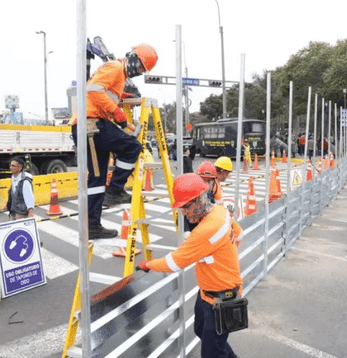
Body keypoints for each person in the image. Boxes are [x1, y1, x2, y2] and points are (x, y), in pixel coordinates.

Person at [136, 173, 243, 358]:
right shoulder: (220, 211)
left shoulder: (205, 230)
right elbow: (239, 234)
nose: (184, 213)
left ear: (201, 199)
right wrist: (223, 252)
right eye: (181, 208)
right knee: (201, 331)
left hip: (221, 299)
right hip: (207, 294)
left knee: (212, 352)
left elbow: (174, 262)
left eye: (186, 207)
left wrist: (148, 264)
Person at [69, 44, 158, 239]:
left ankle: (92, 226)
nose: (140, 72)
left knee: (96, 180)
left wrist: (121, 96)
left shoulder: (119, 75)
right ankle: (116, 189)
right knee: (132, 147)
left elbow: (102, 91)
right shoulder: (115, 67)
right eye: (142, 67)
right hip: (92, 123)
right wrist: (117, 112)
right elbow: (94, 90)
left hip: (87, 127)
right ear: (134, 59)